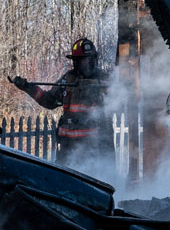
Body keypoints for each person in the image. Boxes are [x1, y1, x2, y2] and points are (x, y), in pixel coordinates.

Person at [11, 38, 113, 171]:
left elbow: (118, 100)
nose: (89, 63)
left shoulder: (104, 80)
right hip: (66, 148)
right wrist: (28, 87)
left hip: (91, 148)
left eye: (91, 59)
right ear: (76, 62)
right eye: (85, 60)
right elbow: (49, 101)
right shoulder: (68, 79)